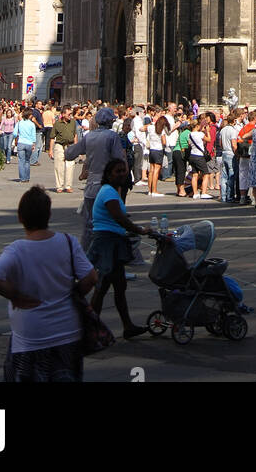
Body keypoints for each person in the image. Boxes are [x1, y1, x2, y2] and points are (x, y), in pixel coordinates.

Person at [0, 185, 97, 381]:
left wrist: (15, 296)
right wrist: (74, 293)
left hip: (30, 334)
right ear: (49, 215)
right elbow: (91, 277)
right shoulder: (68, 242)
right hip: (67, 330)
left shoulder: (17, 249)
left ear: (20, 217)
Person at [85, 159, 147, 339]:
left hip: (112, 241)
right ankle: (91, 328)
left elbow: (118, 215)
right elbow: (119, 217)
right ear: (108, 174)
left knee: (119, 286)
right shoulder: (109, 193)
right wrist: (140, 230)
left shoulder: (111, 191)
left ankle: (127, 326)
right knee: (102, 287)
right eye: (117, 171)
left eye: (123, 171)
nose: (122, 174)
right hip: (107, 242)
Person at [64, 107, 128, 250]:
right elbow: (119, 160)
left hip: (91, 185)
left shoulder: (89, 136)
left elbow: (69, 154)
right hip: (107, 185)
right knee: (114, 219)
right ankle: (120, 253)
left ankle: (86, 253)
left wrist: (67, 149)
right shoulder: (112, 137)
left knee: (89, 223)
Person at [49, 105, 78, 194]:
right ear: (63, 114)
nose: (70, 115)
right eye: (68, 114)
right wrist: (50, 150)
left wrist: (76, 147)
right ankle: (59, 186)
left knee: (70, 166)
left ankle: (68, 186)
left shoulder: (73, 122)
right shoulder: (57, 123)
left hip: (70, 146)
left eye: (71, 114)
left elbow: (75, 135)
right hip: (59, 146)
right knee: (59, 166)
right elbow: (52, 137)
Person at [13, 110, 38, 183]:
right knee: (27, 161)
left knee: (21, 161)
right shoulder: (32, 124)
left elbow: (14, 133)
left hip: (21, 142)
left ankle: (22, 178)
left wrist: (16, 137)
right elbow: (33, 135)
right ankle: (27, 177)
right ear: (29, 116)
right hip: (29, 143)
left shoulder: (19, 123)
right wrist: (33, 143)